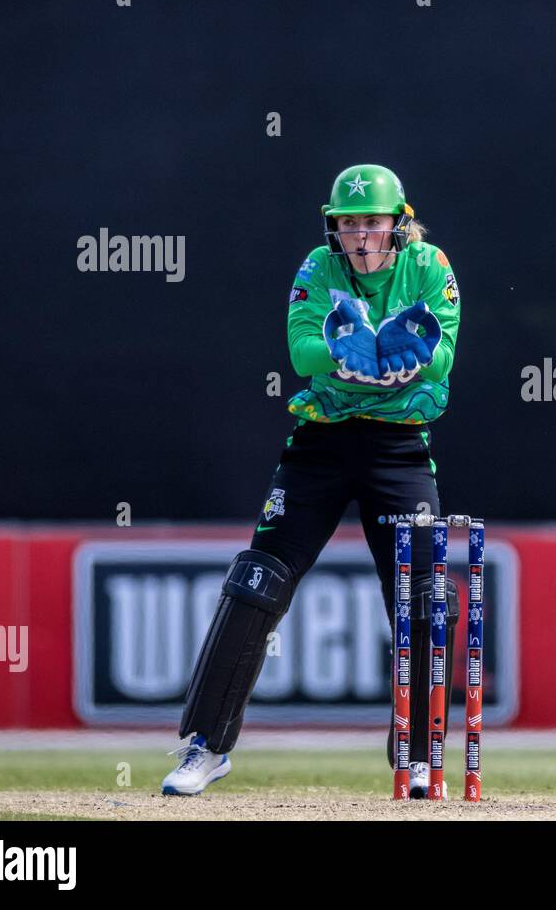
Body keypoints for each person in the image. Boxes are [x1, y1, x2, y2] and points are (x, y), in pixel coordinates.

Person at [161, 164, 462, 797]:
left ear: (399, 225)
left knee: (425, 594)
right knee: (257, 578)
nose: (360, 237)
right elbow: (302, 354)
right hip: (320, 444)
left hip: (399, 450)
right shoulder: (316, 269)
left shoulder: (431, 266)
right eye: (349, 223)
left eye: (372, 223)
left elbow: (441, 360)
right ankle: (206, 746)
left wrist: (397, 349)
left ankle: (414, 753)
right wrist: (343, 349)